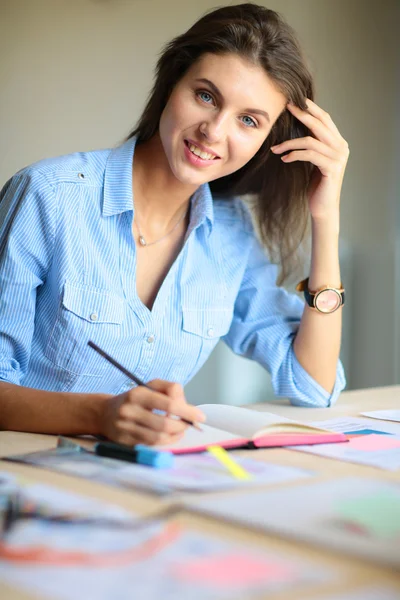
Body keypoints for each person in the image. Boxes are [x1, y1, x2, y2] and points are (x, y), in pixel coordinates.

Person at [0, 3, 348, 446]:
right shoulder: (47, 196)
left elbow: (313, 386)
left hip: (143, 483)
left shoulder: (231, 231)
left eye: (248, 120)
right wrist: (101, 414)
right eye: (206, 96)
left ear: (267, 140)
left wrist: (326, 215)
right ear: (171, 84)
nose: (214, 131)